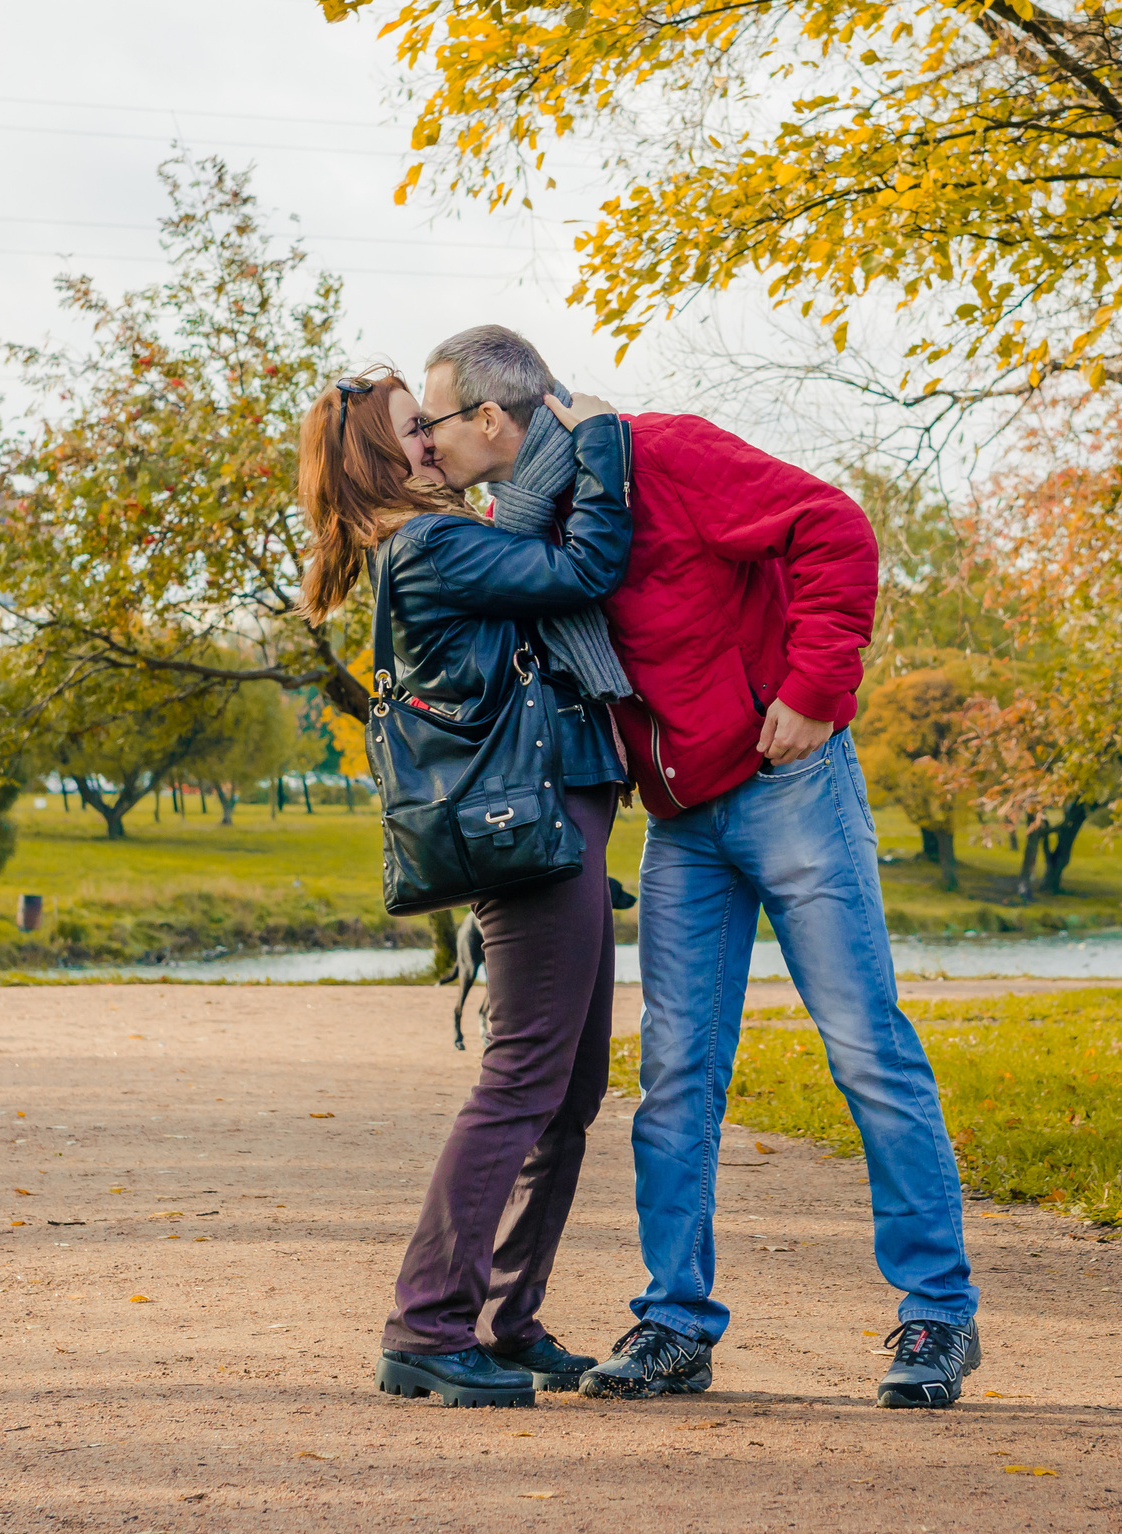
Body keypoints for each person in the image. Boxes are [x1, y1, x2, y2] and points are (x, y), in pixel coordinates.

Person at [417, 325, 983, 1409]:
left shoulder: (664, 454)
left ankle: (935, 1316)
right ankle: (675, 1321)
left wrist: (816, 685)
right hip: (681, 818)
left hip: (791, 786)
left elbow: (834, 528)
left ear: (493, 416)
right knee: (676, 1076)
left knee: (866, 1046)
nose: (430, 445)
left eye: (436, 421)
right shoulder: (520, 523)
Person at [296, 361, 632, 1408]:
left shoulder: (449, 536)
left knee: (567, 1088)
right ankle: (428, 1320)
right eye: (415, 429)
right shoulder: (434, 543)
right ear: (382, 456)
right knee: (525, 1075)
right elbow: (583, 568)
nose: (435, 440)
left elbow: (533, 549)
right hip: (525, 827)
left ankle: (503, 1314)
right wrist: (606, 443)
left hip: (555, 811)